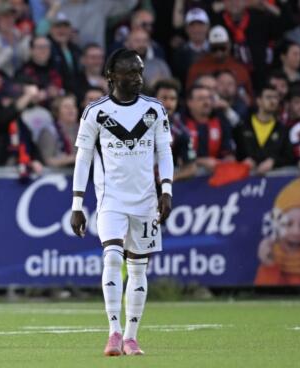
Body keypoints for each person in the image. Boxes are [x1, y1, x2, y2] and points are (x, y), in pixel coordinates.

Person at [70, 48, 173, 356]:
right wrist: (77, 205)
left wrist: (166, 190)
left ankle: (131, 336)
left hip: (145, 201)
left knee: (139, 268)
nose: (137, 78)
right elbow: (83, 158)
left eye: (139, 71)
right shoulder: (96, 112)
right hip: (110, 199)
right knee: (113, 258)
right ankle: (113, 331)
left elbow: (164, 152)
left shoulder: (154, 110)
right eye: (130, 72)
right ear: (111, 76)